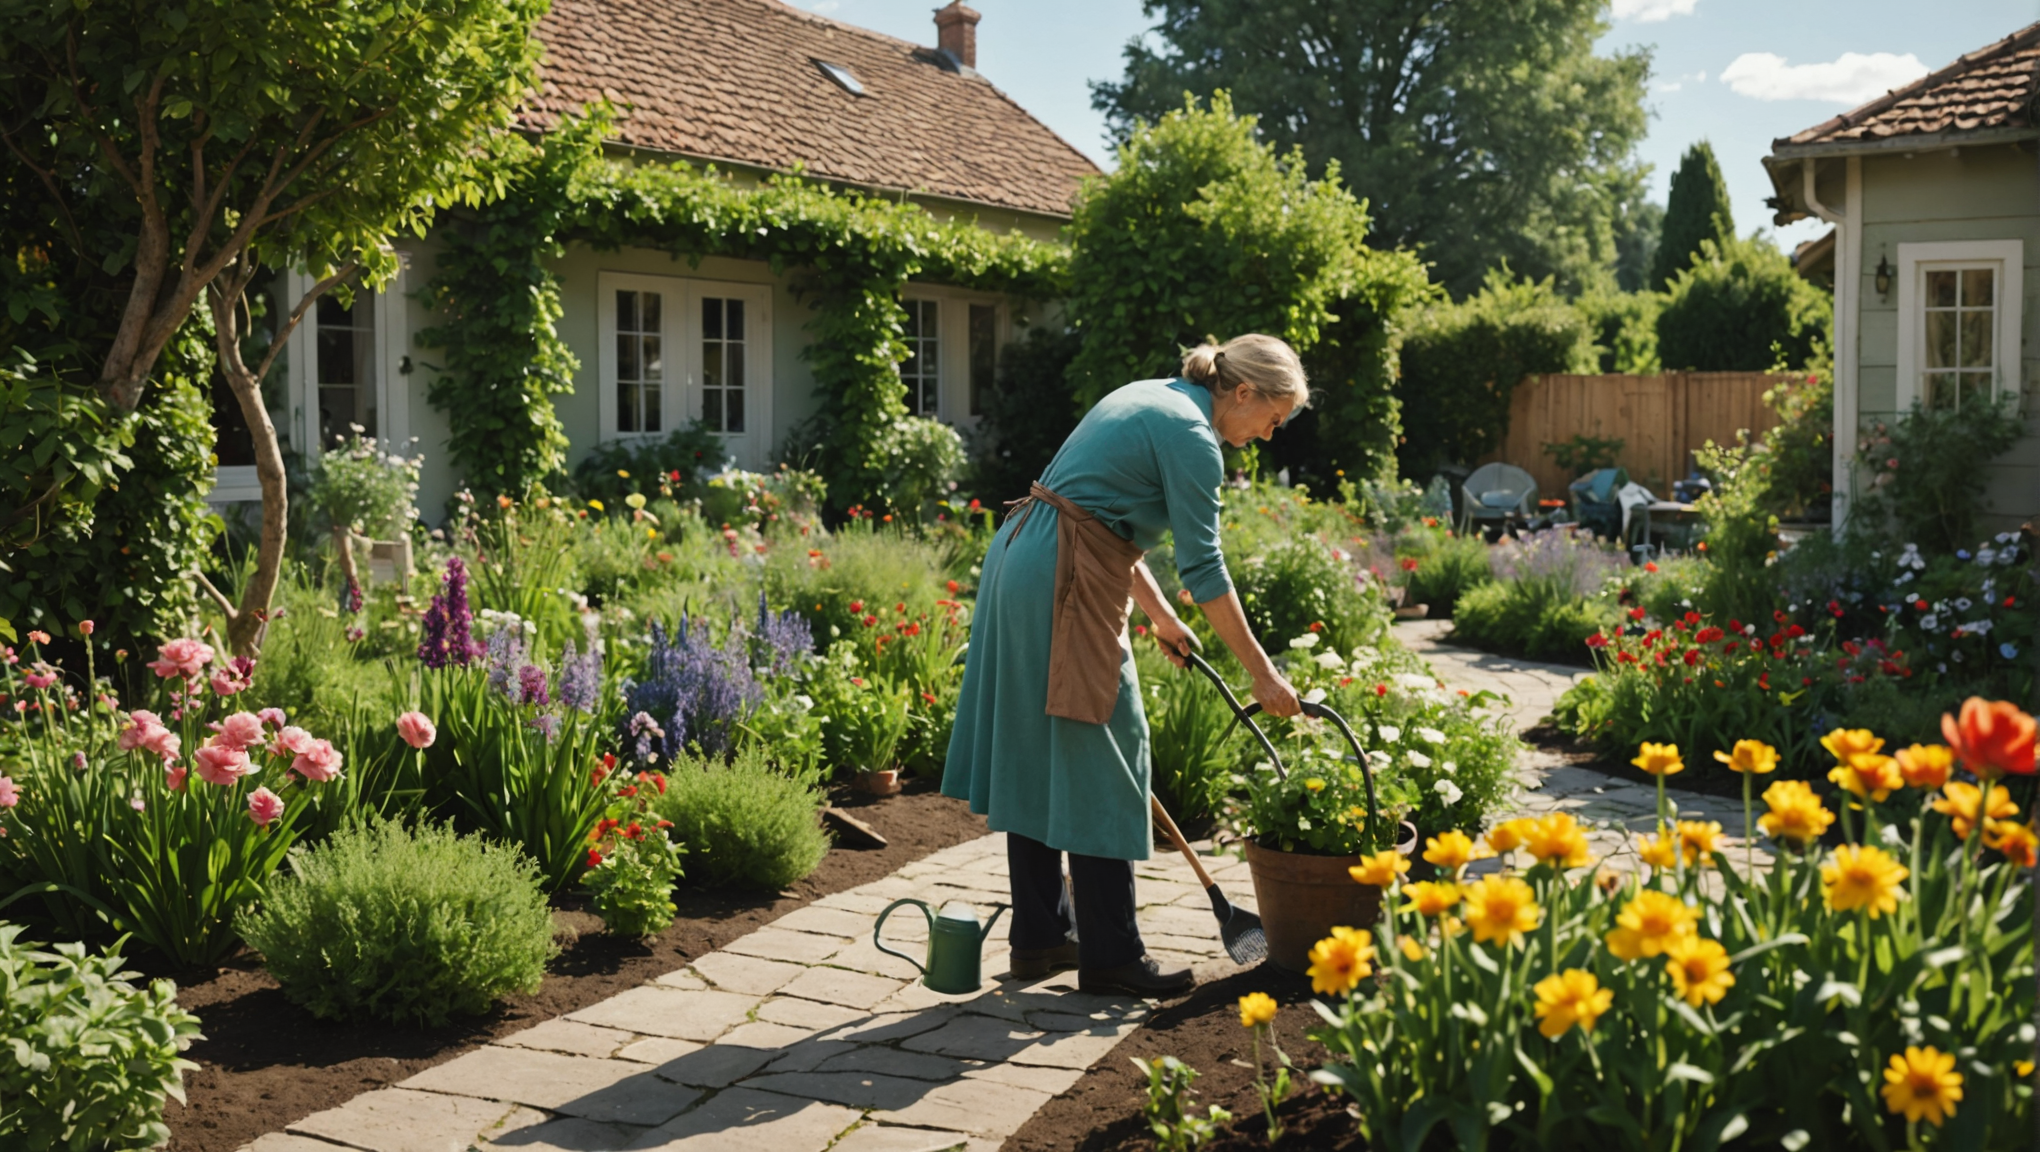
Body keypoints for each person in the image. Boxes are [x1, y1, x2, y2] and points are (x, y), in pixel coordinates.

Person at [942, 334, 1306, 996]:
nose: (1270, 434)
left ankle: (1041, 937)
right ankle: (1111, 954)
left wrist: (1162, 618)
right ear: (1245, 393)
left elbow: (1104, 521)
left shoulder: (1153, 397)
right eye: (1273, 418)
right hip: (1064, 577)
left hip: (1026, 557)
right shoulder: (1194, 439)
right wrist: (1261, 671)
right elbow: (1205, 569)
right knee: (1114, 746)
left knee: (1038, 745)